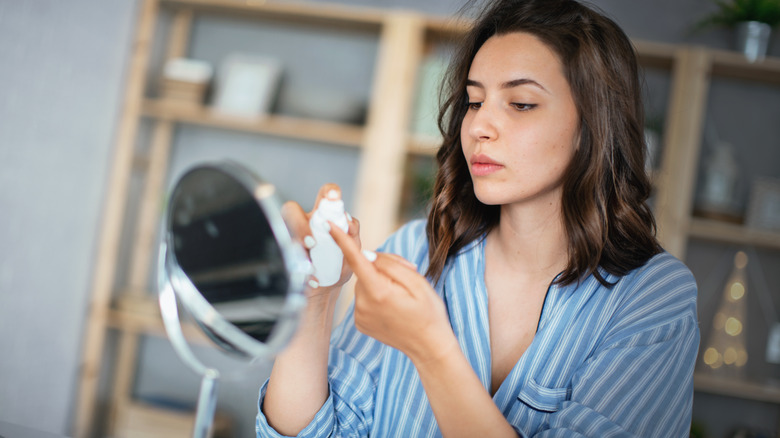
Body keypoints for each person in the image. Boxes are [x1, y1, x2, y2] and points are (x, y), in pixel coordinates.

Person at [257, 0, 699, 436]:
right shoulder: (415, 251)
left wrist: (430, 349)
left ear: (593, 126)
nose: (478, 127)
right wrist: (314, 300)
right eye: (474, 101)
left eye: (520, 103)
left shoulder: (653, 297)